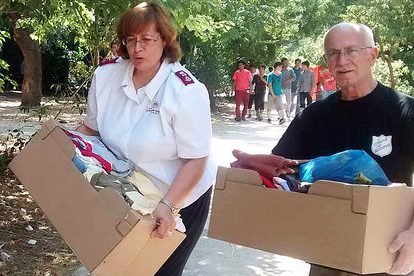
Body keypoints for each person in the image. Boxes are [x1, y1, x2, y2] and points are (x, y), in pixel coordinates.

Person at [75, 2, 216, 275]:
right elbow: (89, 130)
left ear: (165, 40)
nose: (137, 48)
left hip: (180, 194)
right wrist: (59, 153)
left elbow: (196, 161)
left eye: (146, 40)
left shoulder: (186, 92)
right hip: (128, 186)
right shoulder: (105, 77)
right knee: (118, 266)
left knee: (159, 268)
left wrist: (167, 205)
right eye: (130, 39)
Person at [272, 22, 414, 276]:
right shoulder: (314, 115)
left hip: (388, 252)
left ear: (373, 55)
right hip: (328, 251)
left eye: (351, 51)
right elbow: (280, 169)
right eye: (333, 53)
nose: (342, 60)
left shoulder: (404, 111)